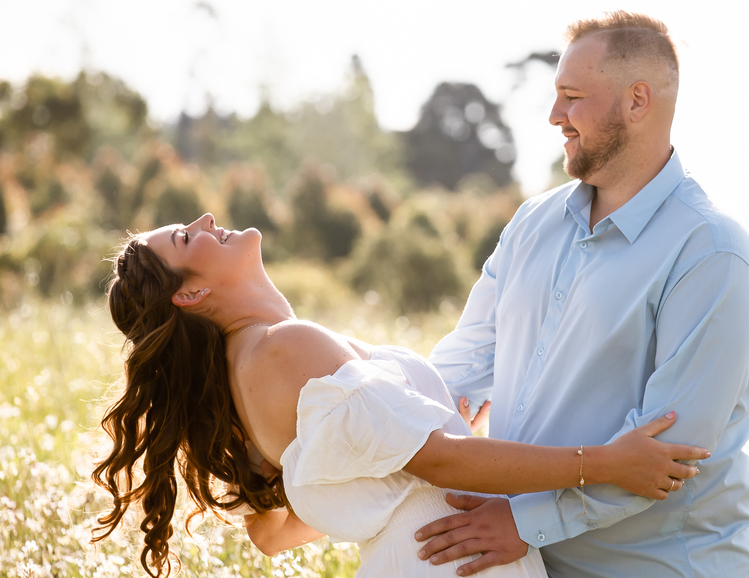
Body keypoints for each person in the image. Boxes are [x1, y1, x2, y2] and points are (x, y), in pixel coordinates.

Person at [90, 212, 709, 578]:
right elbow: (436, 460)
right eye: (186, 239)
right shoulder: (284, 346)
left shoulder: (249, 368)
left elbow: (275, 532)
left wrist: (428, 445)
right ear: (190, 296)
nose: (204, 221)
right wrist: (606, 464)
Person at [418, 11, 749, 577]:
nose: (555, 116)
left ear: (638, 101)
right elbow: (459, 366)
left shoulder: (712, 251)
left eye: (572, 97)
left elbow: (672, 449)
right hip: (528, 566)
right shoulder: (532, 223)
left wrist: (521, 520)